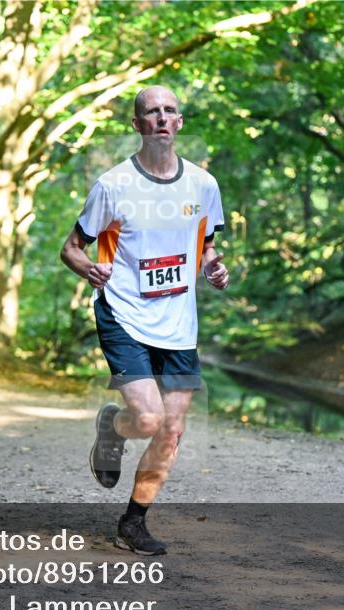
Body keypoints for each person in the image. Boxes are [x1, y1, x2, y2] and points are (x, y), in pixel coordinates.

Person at [60, 86, 229, 556]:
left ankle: (133, 523)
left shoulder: (204, 186)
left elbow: (206, 245)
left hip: (179, 324)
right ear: (137, 125)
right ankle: (115, 427)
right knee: (150, 418)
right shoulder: (112, 186)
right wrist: (88, 269)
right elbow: (71, 248)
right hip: (124, 314)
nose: (161, 118)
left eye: (169, 111)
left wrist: (213, 267)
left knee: (171, 429)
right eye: (151, 112)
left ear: (180, 122)